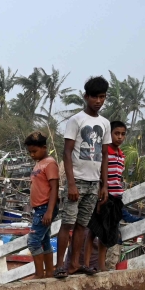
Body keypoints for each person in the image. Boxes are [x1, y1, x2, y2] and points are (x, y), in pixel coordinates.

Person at [55, 76, 111, 279]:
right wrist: (70, 183)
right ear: (86, 96)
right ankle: (60, 265)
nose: (98, 101)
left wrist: (103, 185)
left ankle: (74, 265)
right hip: (76, 181)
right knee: (67, 223)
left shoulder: (105, 124)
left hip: (93, 182)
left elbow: (105, 155)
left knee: (82, 225)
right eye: (95, 97)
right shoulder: (76, 120)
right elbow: (67, 153)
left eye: (102, 97)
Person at [90, 120, 128, 271]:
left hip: (116, 198)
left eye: (123, 134)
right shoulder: (104, 153)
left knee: (105, 235)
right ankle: (88, 264)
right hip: (104, 196)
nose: (119, 137)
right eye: (116, 133)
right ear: (109, 134)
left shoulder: (121, 155)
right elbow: (99, 174)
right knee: (93, 232)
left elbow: (118, 177)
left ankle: (101, 266)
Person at [24, 132, 60, 279]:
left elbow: (54, 187)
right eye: (30, 152)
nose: (32, 155)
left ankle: (39, 274)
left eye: (34, 151)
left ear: (44, 148)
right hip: (40, 208)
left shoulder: (49, 163)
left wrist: (50, 211)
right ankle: (49, 272)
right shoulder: (39, 163)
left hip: (46, 207)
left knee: (33, 242)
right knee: (44, 240)